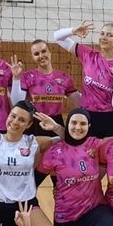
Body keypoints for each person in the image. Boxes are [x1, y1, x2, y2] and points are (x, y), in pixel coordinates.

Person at [0, 101, 61, 226]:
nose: (15, 122)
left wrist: (56, 127)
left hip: (26, 203)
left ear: (29, 124)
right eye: (13, 116)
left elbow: (72, 139)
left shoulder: (33, 142)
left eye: (22, 120)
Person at [11, 39, 80, 186]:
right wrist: (16, 78)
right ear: (32, 57)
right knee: (33, 172)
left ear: (50, 52)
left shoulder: (63, 77)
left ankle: (61, 197)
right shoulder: (28, 76)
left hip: (56, 124)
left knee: (59, 170)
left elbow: (80, 101)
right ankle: (28, 196)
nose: (41, 56)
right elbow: (17, 101)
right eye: (36, 54)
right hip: (35, 125)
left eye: (43, 51)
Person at [53, 22, 113, 138]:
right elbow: (57, 37)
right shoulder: (89, 55)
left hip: (110, 118)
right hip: (86, 115)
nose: (104, 37)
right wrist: (74, 30)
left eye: (109, 35)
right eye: (102, 33)